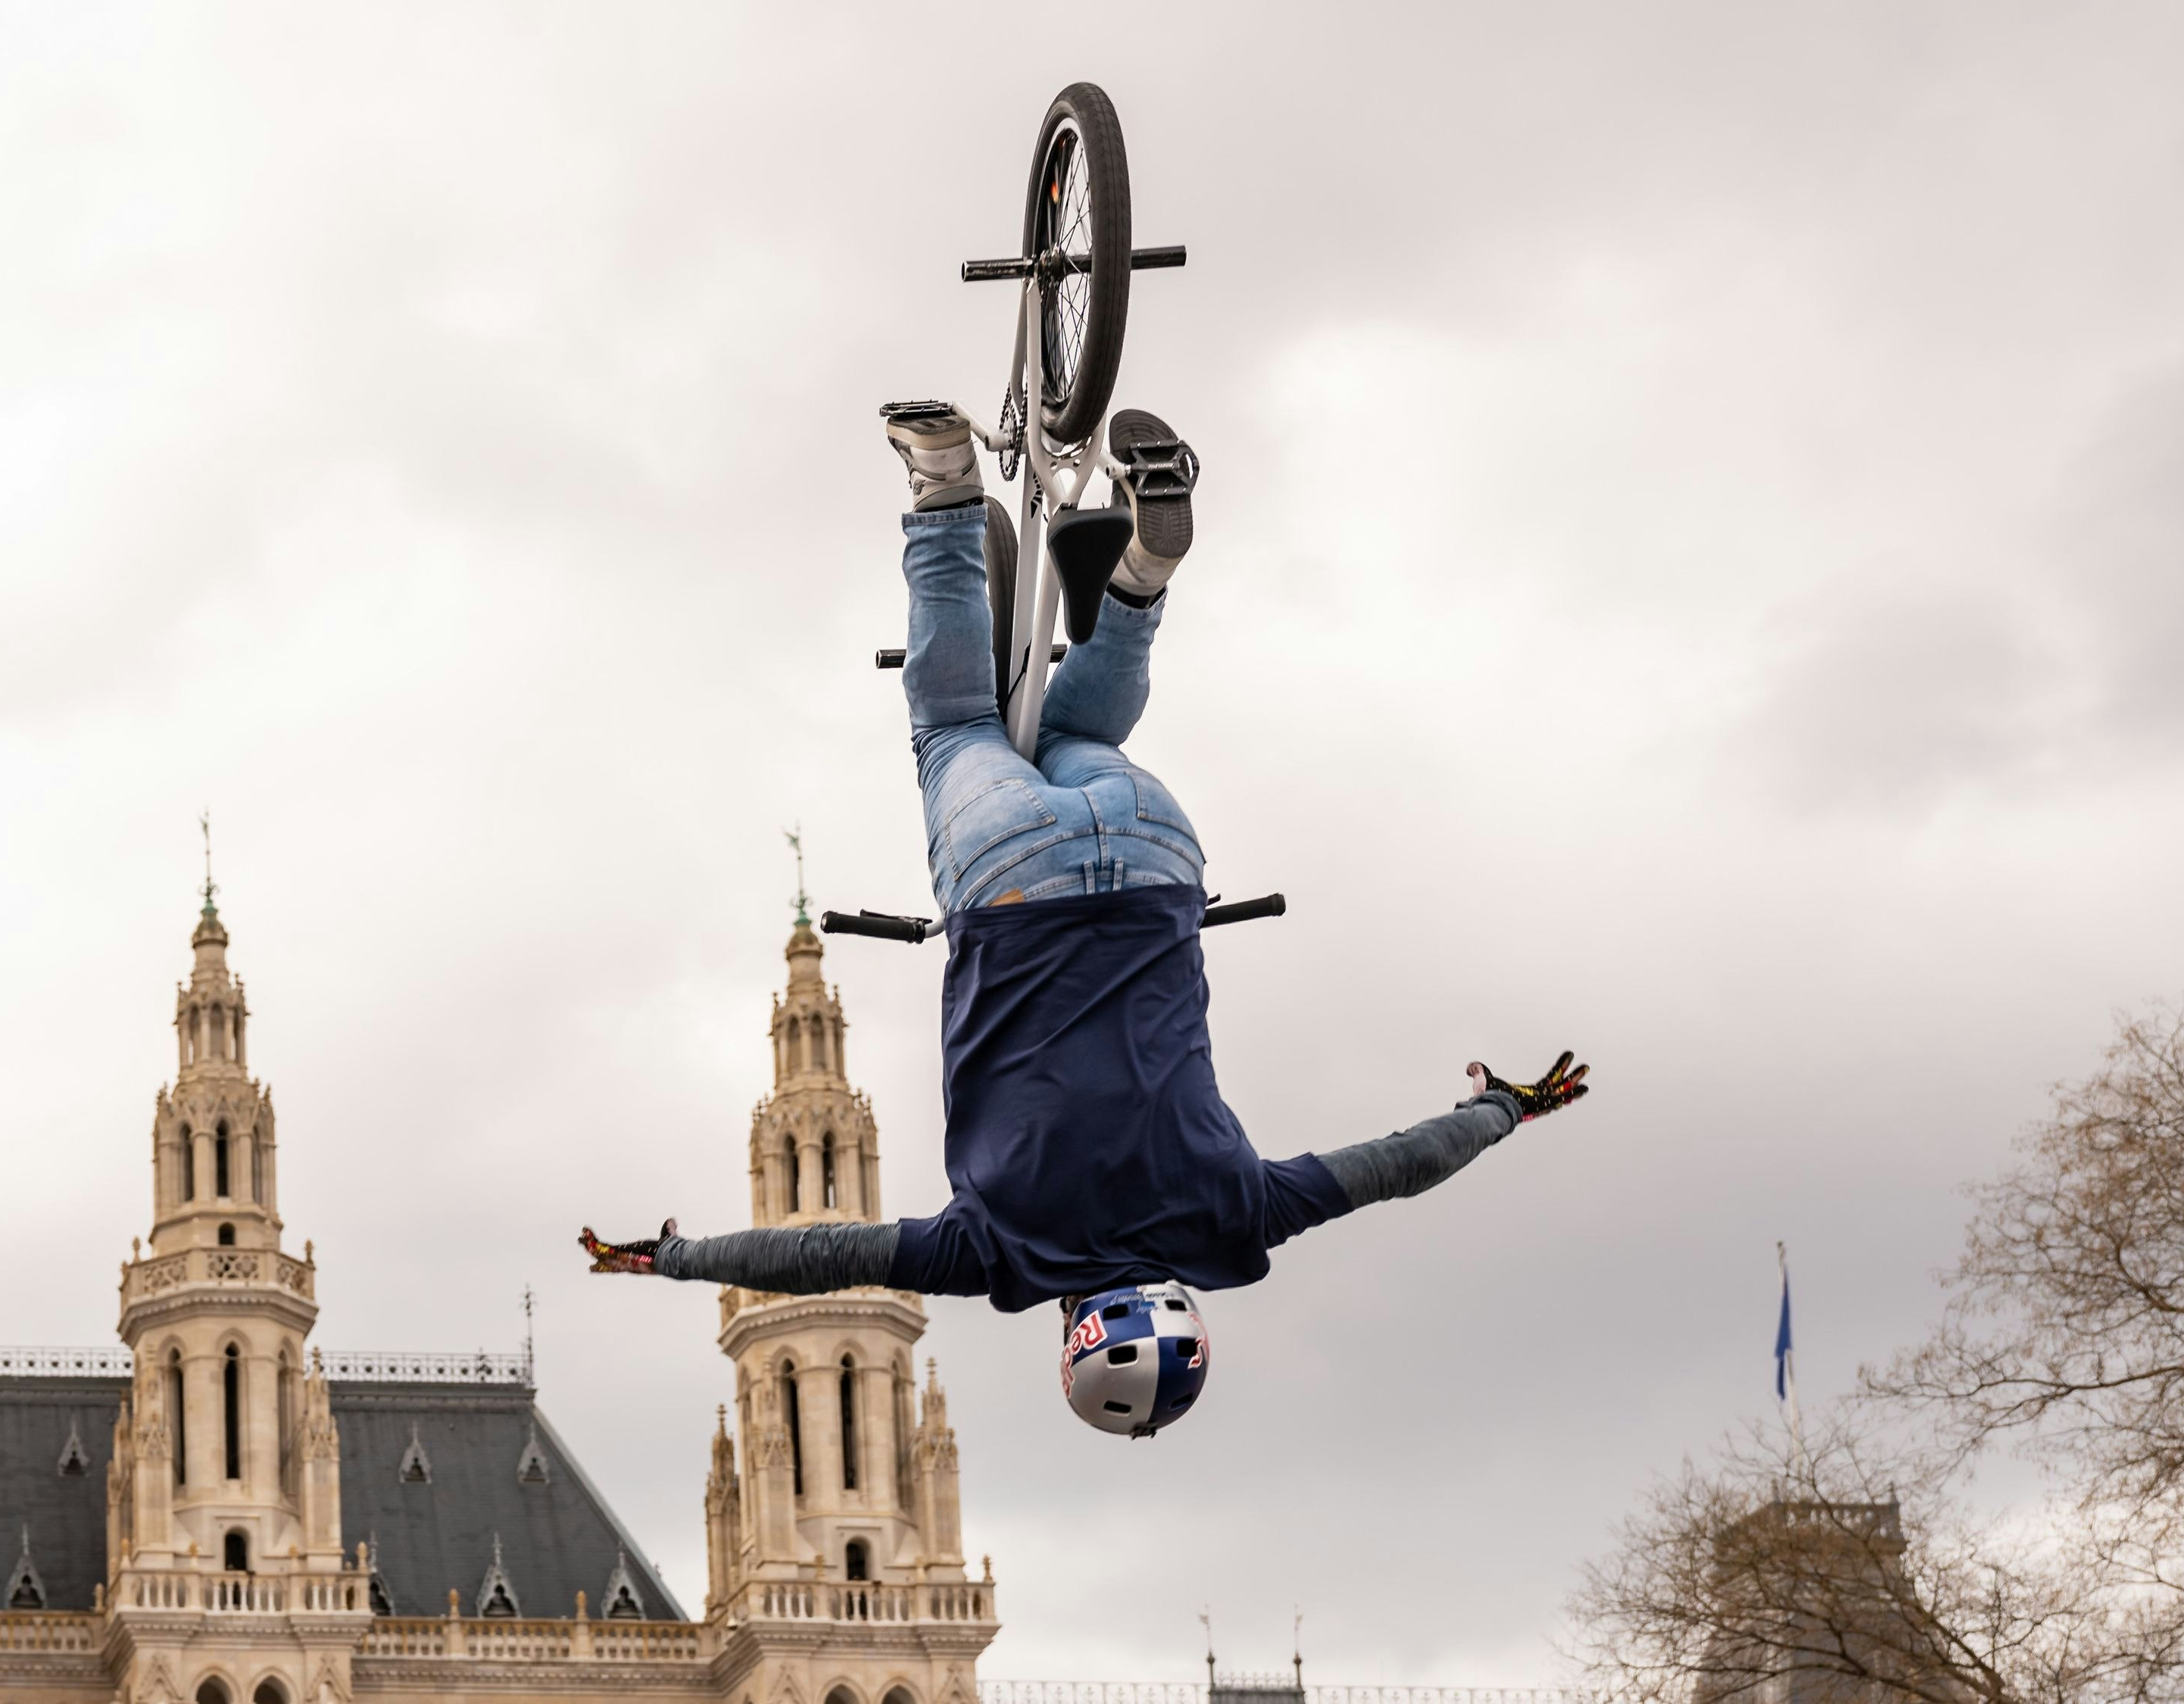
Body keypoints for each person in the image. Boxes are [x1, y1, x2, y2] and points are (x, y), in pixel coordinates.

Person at [582, 405, 1592, 1415]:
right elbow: (823, 1257)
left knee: (1082, 731)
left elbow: (1394, 1167)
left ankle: (1142, 578)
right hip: (1009, 880)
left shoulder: (1240, 1214)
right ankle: (943, 482)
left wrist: (1506, 1107)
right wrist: (673, 1257)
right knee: (951, 723)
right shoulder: (1002, 1252)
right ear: (1076, 1338)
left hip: (1155, 858)